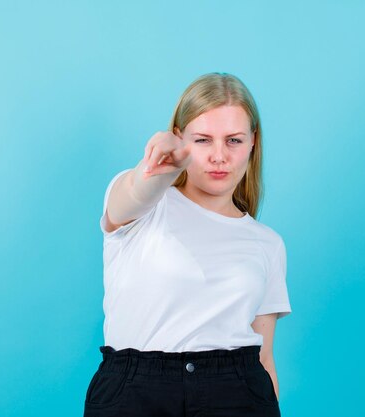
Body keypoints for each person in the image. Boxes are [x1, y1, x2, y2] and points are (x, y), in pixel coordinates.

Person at [83, 72, 292, 417]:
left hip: (237, 392)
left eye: (234, 140)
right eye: (203, 140)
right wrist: (154, 171)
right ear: (180, 139)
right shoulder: (147, 205)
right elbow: (131, 196)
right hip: (136, 394)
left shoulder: (267, 243)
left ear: (253, 141)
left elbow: (264, 358)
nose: (219, 156)